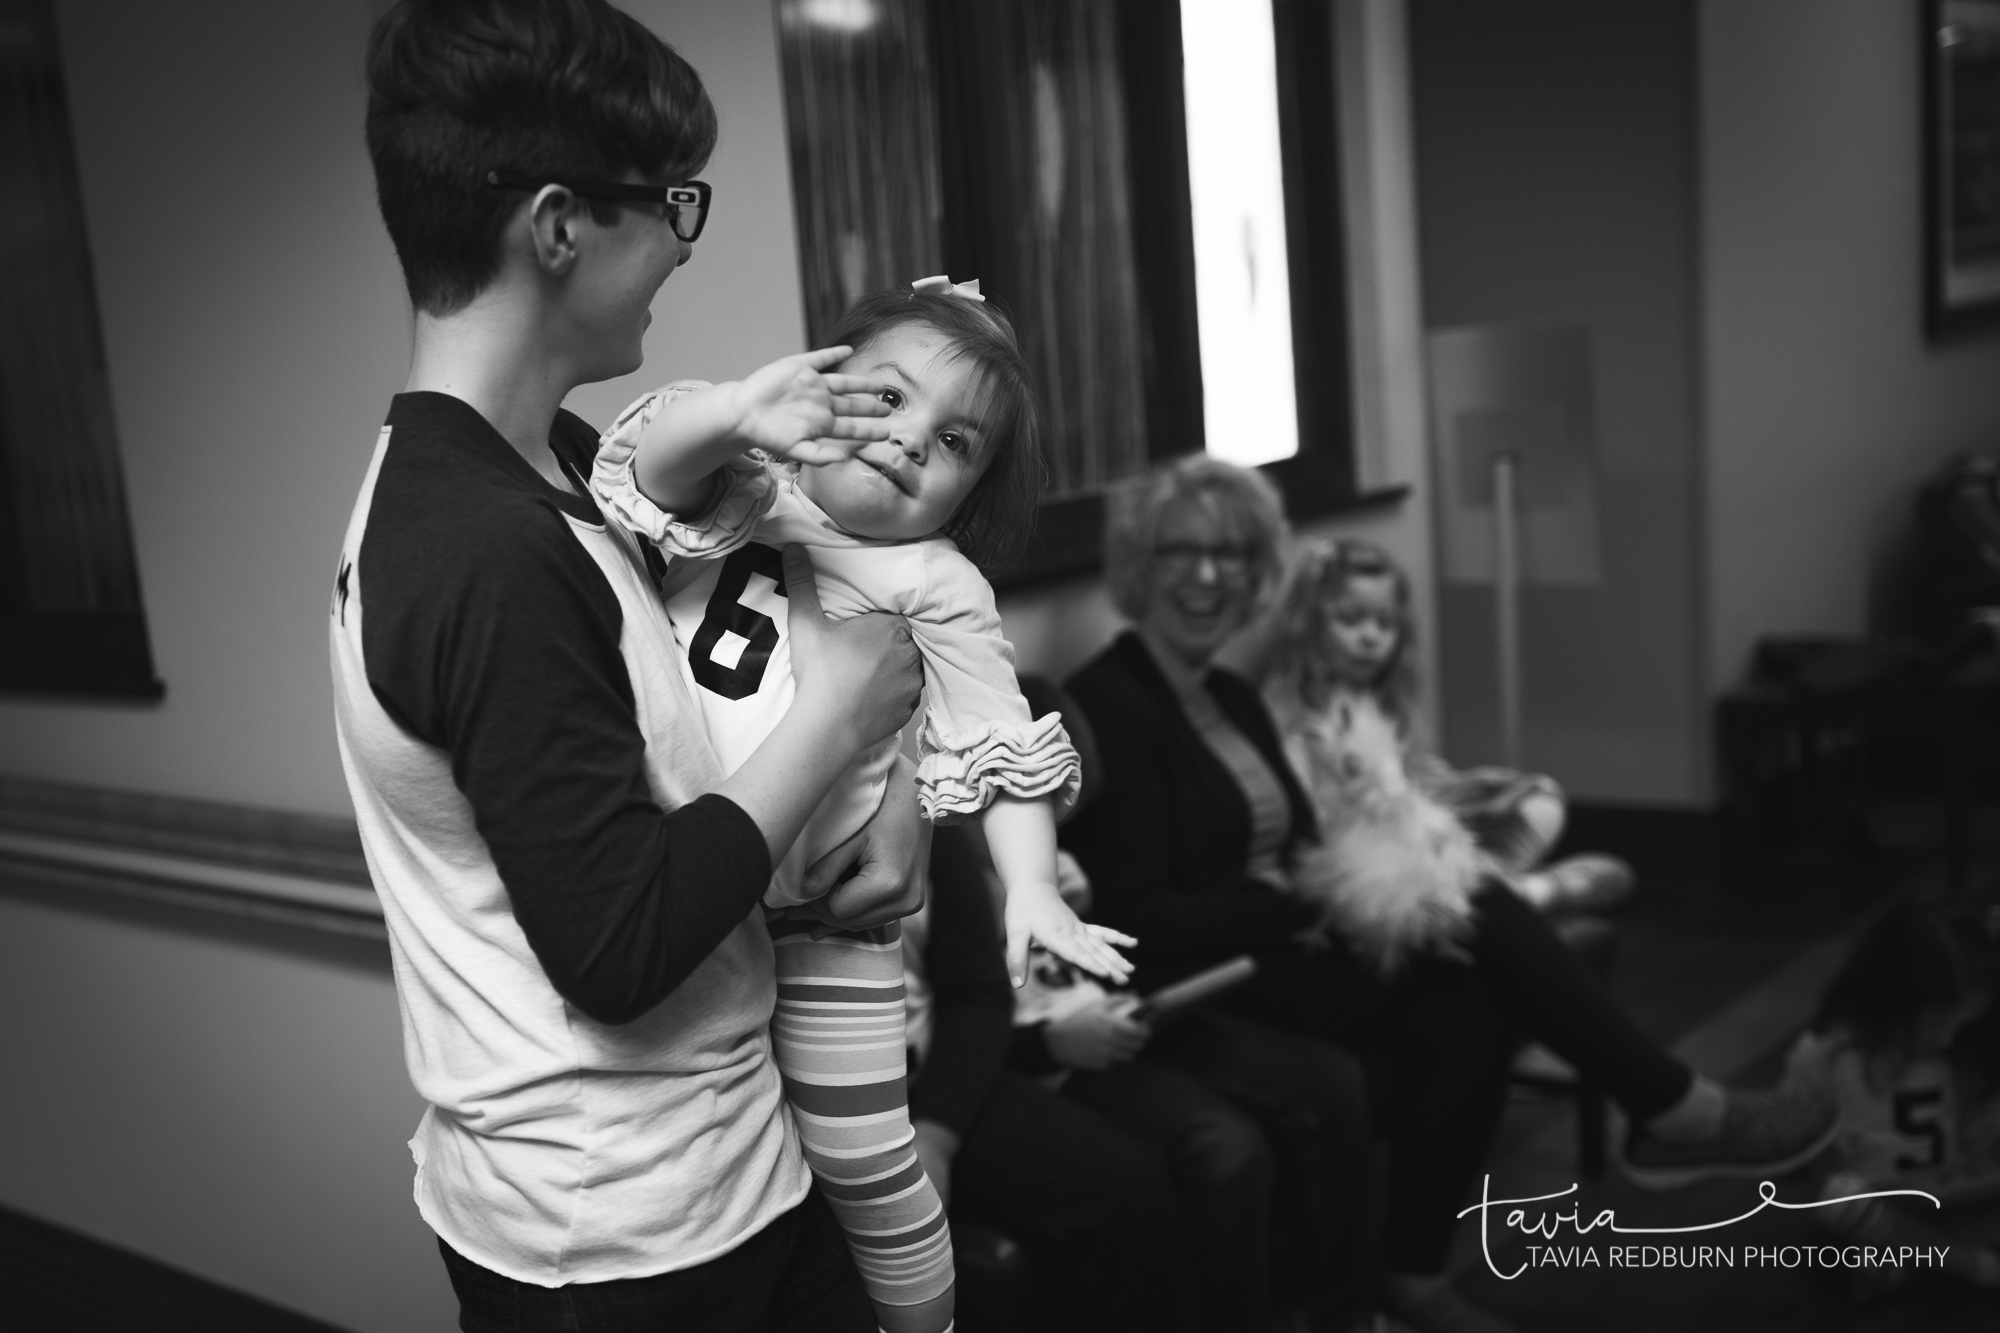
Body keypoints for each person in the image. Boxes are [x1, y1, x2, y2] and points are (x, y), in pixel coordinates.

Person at [333, 3, 926, 1329]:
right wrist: (837, 722)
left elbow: (707, 729)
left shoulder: (548, 465)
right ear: (558, 226)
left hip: (718, 1165)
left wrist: (891, 793)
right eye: (668, 203)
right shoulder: (481, 548)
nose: (679, 241)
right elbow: (616, 944)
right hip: (619, 1236)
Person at [1058, 455, 1840, 1333]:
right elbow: (1137, 918)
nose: (1206, 575)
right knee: (1479, 909)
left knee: (1471, 989)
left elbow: (1305, 849)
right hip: (1214, 976)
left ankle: (1414, 1275)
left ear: (1256, 571)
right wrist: (1313, 903)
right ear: (1140, 564)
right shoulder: (1113, 702)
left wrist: (1358, 880)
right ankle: (1676, 1111)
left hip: (1284, 944)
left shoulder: (1229, 695)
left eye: (1231, 553)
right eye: (1180, 551)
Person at [590, 278, 1134, 1332]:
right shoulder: (744, 484)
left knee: (867, 1159)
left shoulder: (938, 583)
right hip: (688, 899)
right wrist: (743, 409)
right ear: (821, 384)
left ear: (967, 494)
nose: (911, 439)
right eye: (887, 397)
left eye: (956, 441)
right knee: (727, 1169)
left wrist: (1030, 887)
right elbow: (646, 463)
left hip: (832, 927)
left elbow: (998, 744)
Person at [905, 823, 1205, 1333]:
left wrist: (934, 1139)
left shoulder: (931, 823)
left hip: (939, 1080)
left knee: (1133, 1186)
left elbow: (975, 993)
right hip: (834, 1107)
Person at [1264, 537, 1631, 916]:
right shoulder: (1289, 714)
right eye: (1350, 620)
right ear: (1307, 622)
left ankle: (1484, 885)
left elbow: (1413, 778)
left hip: (1412, 825)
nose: (1371, 637)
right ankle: (1516, 896)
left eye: (1387, 623)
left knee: (1540, 797)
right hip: (1359, 848)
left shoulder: (1382, 699)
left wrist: (1446, 788)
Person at [1790, 899, 2000, 1296]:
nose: (1946, 1038)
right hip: (1890, 1207)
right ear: (1889, 999)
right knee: (1838, 1199)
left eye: (1961, 1023)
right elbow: (1807, 1168)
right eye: (1937, 1022)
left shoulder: (1965, 1046)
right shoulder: (1825, 1056)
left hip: (1962, 1193)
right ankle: (1974, 1265)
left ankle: (1921, 1260)